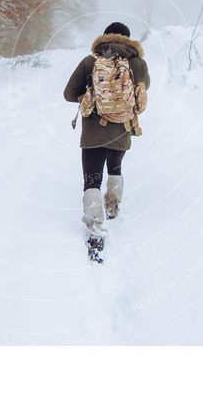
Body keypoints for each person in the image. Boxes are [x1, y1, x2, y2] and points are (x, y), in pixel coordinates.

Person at [63, 22, 150, 261]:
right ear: (128, 40)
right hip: (122, 130)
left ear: (105, 37)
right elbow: (142, 93)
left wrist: (90, 97)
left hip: (92, 132)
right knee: (115, 168)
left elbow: (69, 93)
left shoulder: (90, 61)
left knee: (92, 180)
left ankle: (95, 229)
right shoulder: (138, 63)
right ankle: (112, 205)